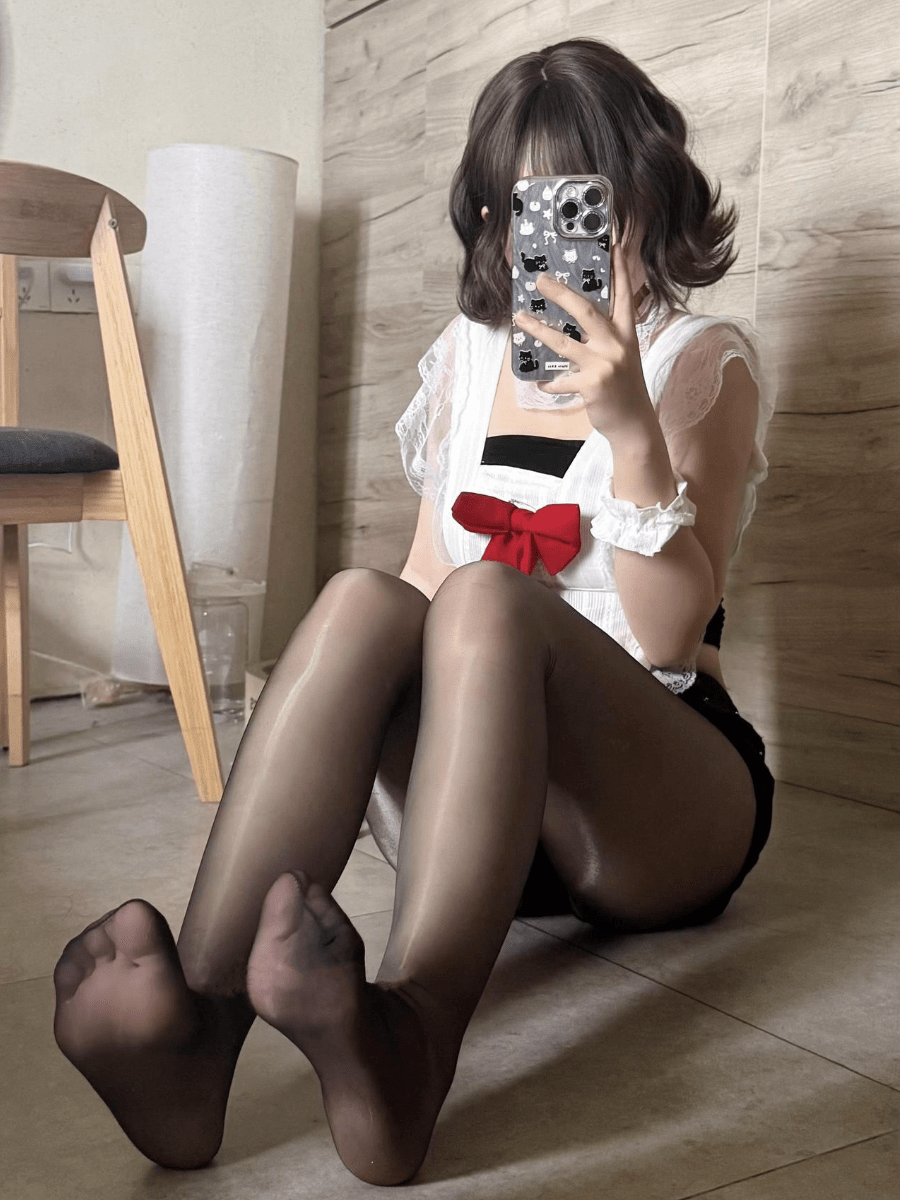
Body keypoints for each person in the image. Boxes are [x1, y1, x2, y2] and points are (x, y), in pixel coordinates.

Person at [51, 37, 778, 1188]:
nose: (558, 240)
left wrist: (628, 425)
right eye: (526, 209)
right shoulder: (464, 362)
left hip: (659, 811)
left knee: (489, 597)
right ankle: (197, 1032)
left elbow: (672, 639)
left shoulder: (698, 361)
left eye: (586, 203)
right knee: (362, 599)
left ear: (646, 198)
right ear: (493, 221)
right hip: (484, 825)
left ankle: (412, 1041)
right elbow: (419, 592)